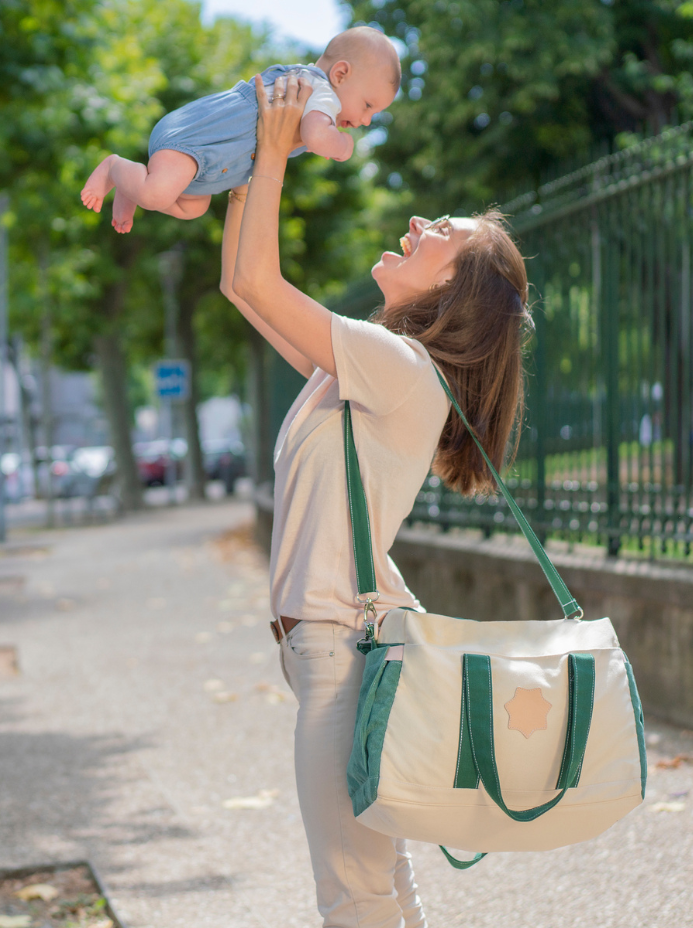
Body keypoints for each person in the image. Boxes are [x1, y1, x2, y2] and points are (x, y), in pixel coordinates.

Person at [220, 71, 531, 928]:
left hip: (342, 657)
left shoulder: (394, 369)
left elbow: (255, 274)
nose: (417, 225)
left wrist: (275, 150)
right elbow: (241, 286)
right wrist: (251, 162)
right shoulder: (370, 365)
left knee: (355, 894)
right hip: (337, 651)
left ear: (453, 291)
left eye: (441, 234)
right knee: (379, 884)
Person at [80, 26, 400, 233]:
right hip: (198, 139)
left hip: (208, 165)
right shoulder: (321, 90)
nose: (366, 120)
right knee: (158, 192)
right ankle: (115, 168)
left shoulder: (316, 98)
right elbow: (318, 135)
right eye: (368, 105)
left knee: (193, 206)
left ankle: (131, 186)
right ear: (341, 74)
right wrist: (344, 147)